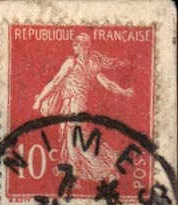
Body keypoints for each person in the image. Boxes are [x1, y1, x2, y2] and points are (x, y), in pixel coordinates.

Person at [32, 33, 134, 183]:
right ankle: (73, 168)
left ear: (82, 46)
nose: (74, 47)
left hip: (73, 106)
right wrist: (123, 91)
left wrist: (39, 100)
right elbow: (108, 84)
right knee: (76, 138)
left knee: (76, 138)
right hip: (79, 106)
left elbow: (55, 82)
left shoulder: (71, 62)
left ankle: (101, 168)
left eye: (76, 44)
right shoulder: (92, 65)